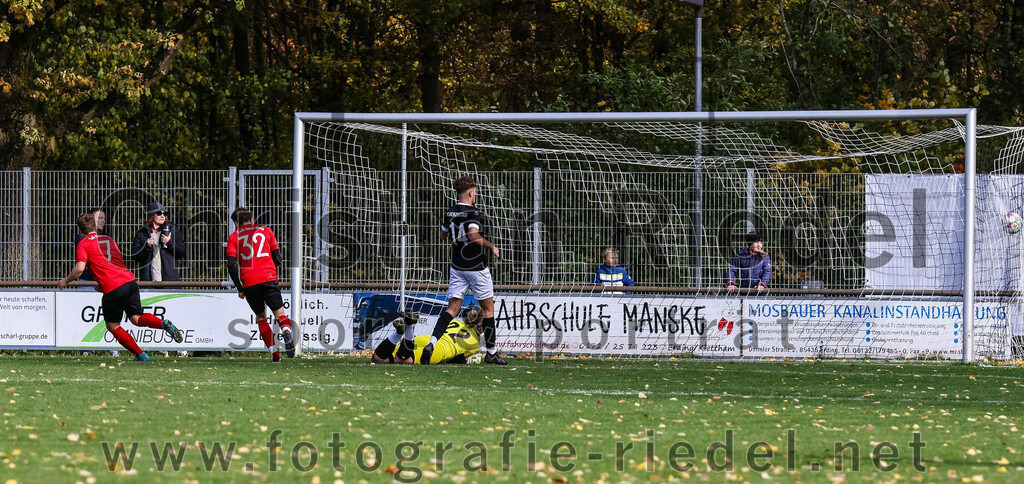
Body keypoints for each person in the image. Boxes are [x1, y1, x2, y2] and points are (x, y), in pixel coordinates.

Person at [405, 176, 507, 365]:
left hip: (457, 267)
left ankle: (432, 343)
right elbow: (473, 234)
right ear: (471, 193)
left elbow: (442, 235)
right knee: (488, 309)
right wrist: (491, 246)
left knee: (452, 308)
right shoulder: (474, 212)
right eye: (475, 192)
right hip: (476, 267)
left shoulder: (450, 212)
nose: (475, 195)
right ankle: (491, 353)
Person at [58, 212, 184, 361]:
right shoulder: (109, 239)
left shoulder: (83, 243)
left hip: (113, 287)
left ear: (80, 230)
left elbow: (79, 269)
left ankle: (141, 355)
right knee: (137, 318)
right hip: (129, 281)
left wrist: (66, 280)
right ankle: (162, 323)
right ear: (95, 226)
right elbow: (115, 261)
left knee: (113, 326)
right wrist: (103, 282)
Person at [226, 207, 295, 362]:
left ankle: (275, 356)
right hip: (268, 278)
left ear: (236, 223)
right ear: (251, 219)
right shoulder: (266, 231)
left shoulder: (234, 237)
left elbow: (231, 265)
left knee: (261, 318)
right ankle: (286, 330)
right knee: (280, 315)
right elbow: (278, 258)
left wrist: (240, 288)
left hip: (249, 282)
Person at [74, 208, 118, 357]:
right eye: (99, 218)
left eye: (103, 218)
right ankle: (87, 347)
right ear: (91, 220)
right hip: (86, 281)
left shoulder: (107, 238)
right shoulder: (81, 237)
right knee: (87, 315)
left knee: (107, 313)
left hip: (104, 281)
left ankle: (111, 347)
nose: (102, 221)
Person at [372, 307, 483, 365]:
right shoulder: (475, 345)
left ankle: (398, 333)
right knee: (403, 361)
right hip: (439, 350)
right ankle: (410, 326)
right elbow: (455, 360)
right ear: (480, 327)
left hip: (426, 339)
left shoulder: (457, 322)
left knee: (378, 359)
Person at [131, 201, 186, 283]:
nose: (162, 216)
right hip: (149, 281)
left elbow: (182, 252)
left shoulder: (172, 230)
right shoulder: (142, 233)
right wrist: (146, 246)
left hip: (169, 281)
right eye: (159, 213)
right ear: (152, 215)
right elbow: (135, 256)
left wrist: (169, 243)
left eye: (165, 214)